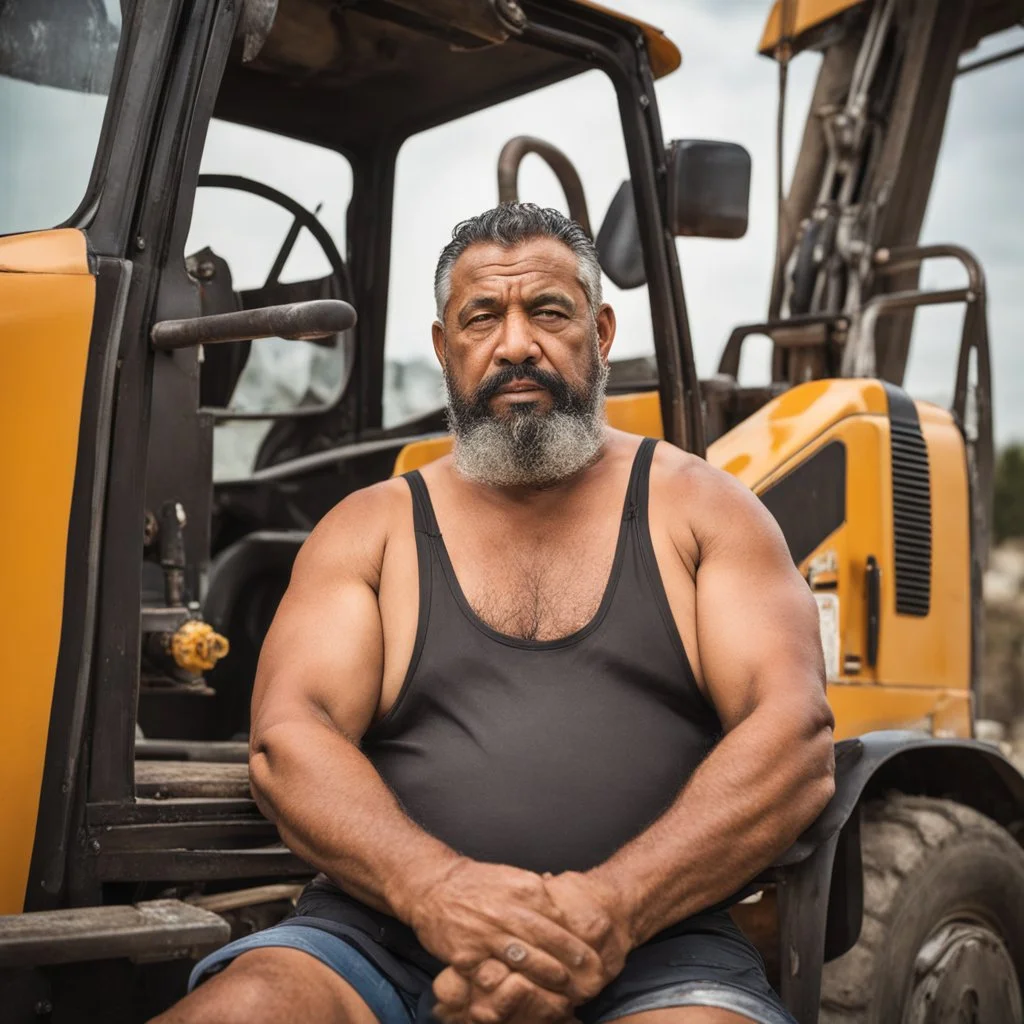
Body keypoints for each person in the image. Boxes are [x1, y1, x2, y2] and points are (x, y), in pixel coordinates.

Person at [155, 203, 835, 1024]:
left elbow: (792, 736)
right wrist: (436, 891)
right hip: (381, 939)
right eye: (483, 317)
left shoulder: (705, 512)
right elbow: (290, 739)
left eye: (548, 310)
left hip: (660, 947)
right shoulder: (370, 529)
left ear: (602, 330)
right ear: (446, 349)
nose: (516, 344)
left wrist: (609, 912)